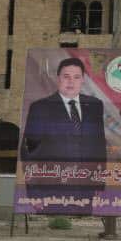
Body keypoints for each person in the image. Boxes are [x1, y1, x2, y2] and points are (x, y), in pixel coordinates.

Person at [20, 57, 107, 214]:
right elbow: (28, 151)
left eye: (76, 77)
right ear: (57, 79)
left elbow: (99, 147)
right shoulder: (40, 107)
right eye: (66, 76)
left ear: (83, 80)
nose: (71, 82)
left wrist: (99, 185)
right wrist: (33, 192)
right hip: (51, 190)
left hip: (84, 190)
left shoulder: (95, 106)